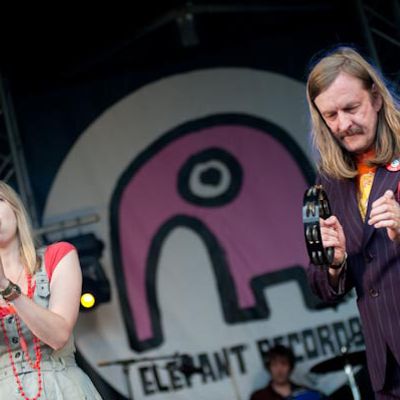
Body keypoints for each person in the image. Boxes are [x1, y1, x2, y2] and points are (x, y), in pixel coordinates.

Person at [306, 46, 400, 399]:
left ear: (375, 97)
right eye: (330, 115)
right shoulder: (329, 181)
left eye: (351, 108)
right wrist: (333, 264)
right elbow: (321, 286)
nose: (343, 124)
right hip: (387, 365)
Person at [0, 180, 102, 399]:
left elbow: (58, 336)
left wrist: (6, 287)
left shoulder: (57, 256)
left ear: (15, 209)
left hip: (62, 386)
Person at [250, 345, 321, 400]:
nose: (279, 370)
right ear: (269, 367)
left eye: (284, 364)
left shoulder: (305, 393)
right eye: (274, 365)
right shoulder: (259, 397)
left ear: (290, 367)